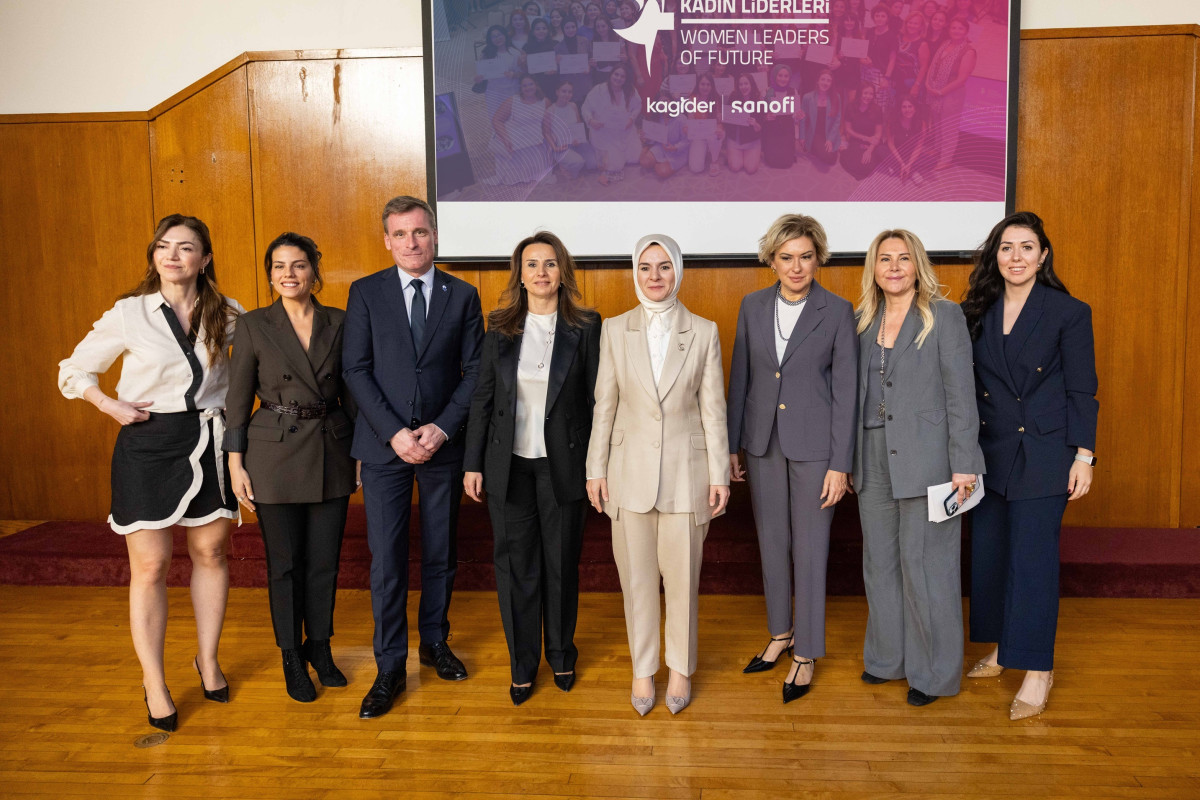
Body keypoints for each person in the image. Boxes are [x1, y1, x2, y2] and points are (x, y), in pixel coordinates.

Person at [57, 214, 243, 731]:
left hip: (209, 438)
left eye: (185, 247)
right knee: (151, 566)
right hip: (147, 444)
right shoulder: (129, 312)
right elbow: (74, 369)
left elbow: (263, 357)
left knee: (211, 553)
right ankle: (154, 681)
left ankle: (208, 660)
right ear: (154, 255)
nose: (172, 256)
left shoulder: (227, 312)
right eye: (163, 246)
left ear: (205, 259)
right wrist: (107, 403)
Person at [342, 196, 484, 719]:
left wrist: (442, 429)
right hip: (385, 449)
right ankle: (389, 667)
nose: (411, 242)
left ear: (435, 235)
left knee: (441, 552)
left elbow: (476, 372)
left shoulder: (462, 295)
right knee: (388, 561)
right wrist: (395, 433)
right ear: (387, 240)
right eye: (400, 234)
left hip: (442, 447)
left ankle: (435, 642)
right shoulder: (366, 292)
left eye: (420, 232)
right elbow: (356, 370)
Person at [585, 234, 730, 716]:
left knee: (683, 581)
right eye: (646, 267)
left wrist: (719, 475)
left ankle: (681, 667)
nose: (655, 276)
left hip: (687, 476)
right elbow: (604, 406)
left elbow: (713, 410)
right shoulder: (613, 329)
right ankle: (643, 668)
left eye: (664, 266)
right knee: (637, 581)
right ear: (635, 271)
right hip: (627, 475)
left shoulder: (704, 331)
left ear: (678, 271)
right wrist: (595, 468)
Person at [961, 212, 1098, 721]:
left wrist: (1083, 455)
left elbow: (1081, 389)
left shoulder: (1069, 312)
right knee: (992, 556)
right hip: (989, 453)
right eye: (1006, 247)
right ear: (995, 256)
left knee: (1033, 561)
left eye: (1026, 247)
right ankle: (1004, 647)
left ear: (1043, 256)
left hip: (1045, 452)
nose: (1015, 256)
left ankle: (1038, 667)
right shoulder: (976, 309)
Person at [463, 232, 601, 706]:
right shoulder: (499, 327)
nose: (541, 272)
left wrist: (598, 466)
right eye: (532, 264)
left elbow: (598, 401)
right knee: (515, 567)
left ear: (563, 272)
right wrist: (473, 463)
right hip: (509, 467)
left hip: (565, 465)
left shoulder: (587, 326)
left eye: (550, 263)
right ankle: (522, 665)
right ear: (519, 275)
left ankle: (561, 655)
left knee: (561, 565)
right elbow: (482, 399)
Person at [727, 214, 857, 703]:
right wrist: (732, 446)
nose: (796, 266)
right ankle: (780, 632)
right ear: (772, 260)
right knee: (772, 541)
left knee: (810, 548)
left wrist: (840, 464)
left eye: (805, 256)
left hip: (816, 450)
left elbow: (846, 394)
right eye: (786, 257)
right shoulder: (752, 306)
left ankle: (806, 650)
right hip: (762, 443)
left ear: (818, 258)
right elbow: (741, 378)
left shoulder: (838, 311)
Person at [224, 232, 359, 703]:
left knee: (324, 562)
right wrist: (235, 463)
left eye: (298, 265)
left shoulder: (341, 321)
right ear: (270, 275)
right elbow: (238, 399)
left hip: (331, 448)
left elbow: (353, 392)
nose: (289, 274)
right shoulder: (254, 325)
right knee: (284, 564)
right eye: (279, 266)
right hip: (272, 453)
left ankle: (319, 647)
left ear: (314, 271)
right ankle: (290, 656)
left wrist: (360, 453)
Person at [852, 228, 984, 707]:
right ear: (874, 268)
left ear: (917, 265)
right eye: (885, 258)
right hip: (872, 457)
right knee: (880, 564)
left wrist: (965, 464)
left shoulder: (944, 316)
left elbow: (961, 394)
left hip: (930, 458)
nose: (894, 267)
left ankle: (933, 674)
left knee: (928, 567)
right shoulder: (862, 320)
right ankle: (887, 659)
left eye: (903, 258)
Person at [924, 16, 977, 173]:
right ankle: (937, 149)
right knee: (937, 123)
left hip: (952, 94)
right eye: (953, 27)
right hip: (934, 91)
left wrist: (941, 92)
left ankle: (945, 159)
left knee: (948, 127)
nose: (956, 31)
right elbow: (932, 65)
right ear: (949, 30)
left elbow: (962, 79)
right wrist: (928, 83)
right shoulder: (945, 44)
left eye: (960, 28)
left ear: (966, 31)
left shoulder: (969, 51)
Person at [581, 63, 641, 185]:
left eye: (622, 76)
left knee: (635, 158)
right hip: (604, 132)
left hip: (624, 130)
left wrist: (631, 119)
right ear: (611, 75)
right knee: (615, 165)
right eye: (616, 74)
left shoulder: (630, 90)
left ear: (626, 79)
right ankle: (605, 165)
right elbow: (585, 108)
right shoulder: (598, 90)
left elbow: (638, 106)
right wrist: (591, 121)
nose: (618, 78)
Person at [489, 75, 552, 186]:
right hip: (515, 139)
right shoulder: (513, 101)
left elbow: (549, 123)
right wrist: (506, 138)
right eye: (524, 86)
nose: (528, 88)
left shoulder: (545, 101)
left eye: (531, 84)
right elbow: (496, 120)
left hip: (536, 140)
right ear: (521, 88)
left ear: (536, 85)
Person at [840, 82, 883, 179]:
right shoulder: (850, 107)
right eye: (865, 93)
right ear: (859, 93)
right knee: (852, 162)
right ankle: (844, 148)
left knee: (868, 166)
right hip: (857, 139)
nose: (868, 96)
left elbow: (878, 133)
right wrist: (865, 138)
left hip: (872, 141)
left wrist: (869, 150)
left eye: (871, 94)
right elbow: (848, 129)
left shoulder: (877, 109)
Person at [800, 69, 843, 167]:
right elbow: (802, 118)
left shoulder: (836, 97)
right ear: (817, 81)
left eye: (829, 81)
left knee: (832, 158)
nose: (825, 83)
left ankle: (819, 147)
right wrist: (802, 136)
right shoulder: (808, 97)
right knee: (828, 158)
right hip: (815, 133)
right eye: (823, 79)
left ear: (831, 84)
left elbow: (837, 120)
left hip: (830, 132)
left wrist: (830, 139)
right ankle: (813, 146)